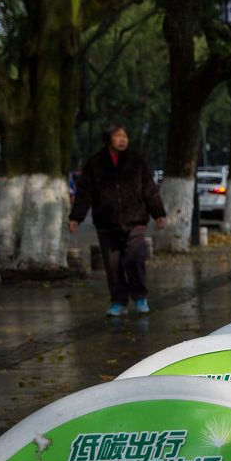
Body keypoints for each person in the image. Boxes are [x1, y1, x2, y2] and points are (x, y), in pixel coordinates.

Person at [69, 125, 167, 317]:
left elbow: (149, 188)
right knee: (112, 265)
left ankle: (140, 298)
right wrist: (76, 217)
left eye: (125, 135)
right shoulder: (95, 163)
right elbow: (84, 193)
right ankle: (118, 301)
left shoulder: (136, 161)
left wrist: (158, 213)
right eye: (117, 136)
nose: (122, 139)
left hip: (135, 219)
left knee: (134, 257)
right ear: (108, 139)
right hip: (107, 222)